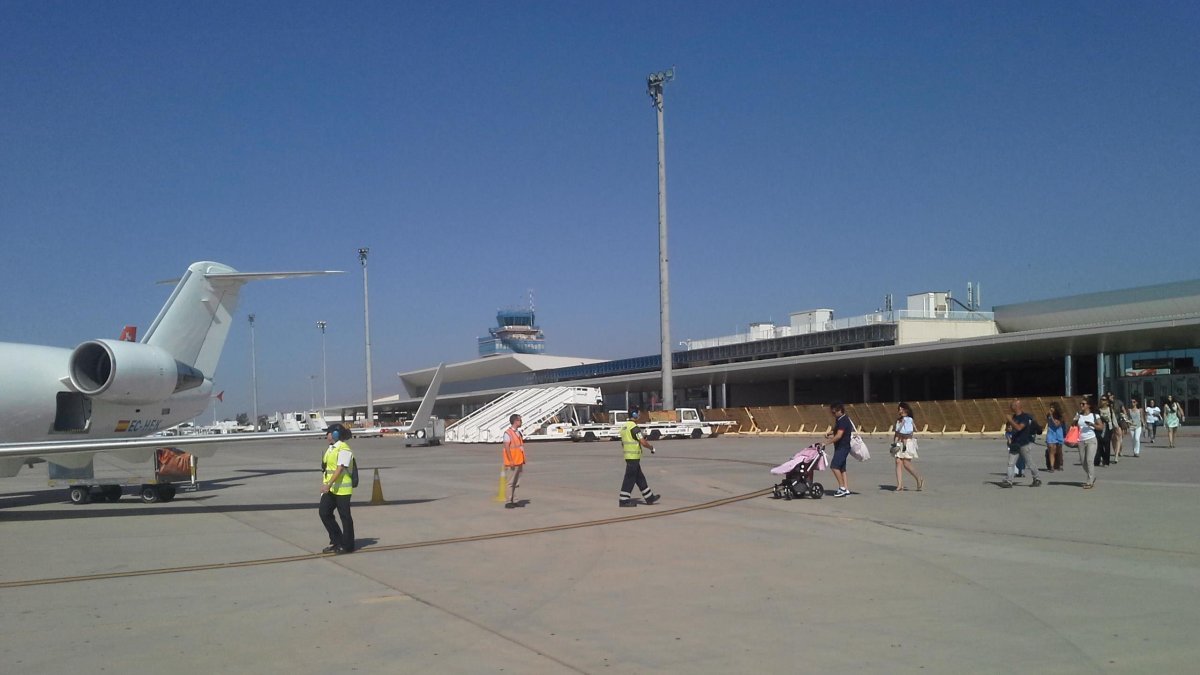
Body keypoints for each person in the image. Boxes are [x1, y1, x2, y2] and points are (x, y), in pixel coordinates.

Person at [319, 424, 355, 553]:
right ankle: (336, 540)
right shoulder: (331, 449)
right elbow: (327, 470)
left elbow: (340, 469)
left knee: (345, 517)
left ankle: (348, 545)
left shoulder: (344, 448)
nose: (326, 435)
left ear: (335, 434)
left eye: (328, 433)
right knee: (324, 512)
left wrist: (327, 484)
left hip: (342, 489)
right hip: (332, 489)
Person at [618, 407, 660, 507]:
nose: (639, 415)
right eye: (638, 413)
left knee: (639, 477)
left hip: (629, 456)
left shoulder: (624, 427)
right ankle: (623, 500)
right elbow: (642, 441)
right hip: (633, 457)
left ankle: (649, 497)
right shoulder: (634, 427)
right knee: (630, 478)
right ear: (634, 415)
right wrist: (651, 448)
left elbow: (623, 443)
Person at [1002, 399, 1041, 488]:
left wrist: (1010, 420)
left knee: (1029, 462)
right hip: (1015, 443)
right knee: (1011, 463)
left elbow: (1019, 428)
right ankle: (1009, 481)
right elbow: (1011, 428)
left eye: (1012, 405)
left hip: (1024, 443)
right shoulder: (1014, 417)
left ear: (1017, 406)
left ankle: (1037, 478)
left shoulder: (1025, 417)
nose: (1010, 407)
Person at [891, 402, 924, 492]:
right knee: (898, 462)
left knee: (906, 463)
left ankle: (918, 478)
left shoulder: (909, 420)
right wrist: (894, 443)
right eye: (899, 409)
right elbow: (896, 432)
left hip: (908, 443)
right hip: (899, 443)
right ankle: (900, 485)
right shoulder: (898, 421)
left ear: (906, 410)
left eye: (902, 409)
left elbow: (911, 432)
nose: (900, 410)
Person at [824, 402, 854, 497]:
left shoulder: (843, 420)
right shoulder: (840, 419)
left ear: (840, 411)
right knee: (842, 468)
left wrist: (826, 443)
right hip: (840, 447)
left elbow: (839, 435)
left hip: (843, 447)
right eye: (832, 413)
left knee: (834, 466)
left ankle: (842, 488)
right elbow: (838, 430)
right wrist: (830, 433)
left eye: (834, 412)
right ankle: (846, 488)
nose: (833, 415)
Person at [502, 413, 526, 509]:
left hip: (519, 461)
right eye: (520, 420)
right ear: (515, 421)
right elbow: (507, 447)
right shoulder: (508, 433)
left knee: (517, 482)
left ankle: (515, 500)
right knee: (510, 483)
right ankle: (508, 501)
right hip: (512, 462)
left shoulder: (518, 432)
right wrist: (511, 460)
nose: (521, 422)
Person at [1074, 397, 1099, 489]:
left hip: (1091, 440)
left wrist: (1092, 424)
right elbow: (1072, 425)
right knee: (1083, 462)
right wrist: (1075, 419)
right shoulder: (1078, 415)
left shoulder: (1094, 416)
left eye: (1083, 404)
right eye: (1081, 404)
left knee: (1089, 460)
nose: (1081, 405)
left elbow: (1101, 427)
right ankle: (1091, 475)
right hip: (1081, 441)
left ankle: (1090, 481)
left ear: (1088, 405)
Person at [1045, 402, 1065, 471]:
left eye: (1053, 407)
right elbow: (1048, 423)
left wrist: (1052, 417)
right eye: (1050, 407)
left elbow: (1056, 425)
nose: (1051, 409)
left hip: (1058, 433)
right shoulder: (1048, 415)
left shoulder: (1060, 416)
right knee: (1051, 449)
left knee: (1058, 450)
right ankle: (1052, 466)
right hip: (1051, 433)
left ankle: (1060, 464)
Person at [1095, 395, 1114, 467]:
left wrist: (1116, 427)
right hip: (1100, 428)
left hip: (1108, 428)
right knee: (1099, 444)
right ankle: (1102, 458)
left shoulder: (1110, 409)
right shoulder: (1098, 410)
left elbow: (1113, 418)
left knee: (1107, 445)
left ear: (1107, 402)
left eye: (1104, 399)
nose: (1102, 401)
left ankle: (1106, 462)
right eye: (1101, 399)